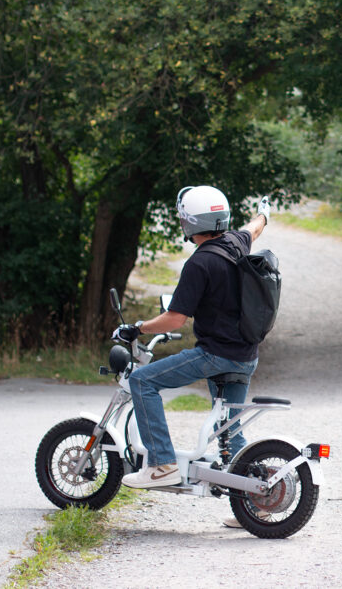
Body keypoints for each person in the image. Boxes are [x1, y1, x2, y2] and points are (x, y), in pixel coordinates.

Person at [115, 185, 270, 489]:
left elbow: (175, 318)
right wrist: (264, 212)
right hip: (245, 355)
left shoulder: (199, 263)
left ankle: (162, 466)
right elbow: (255, 227)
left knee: (142, 381)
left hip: (215, 355)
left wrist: (138, 327)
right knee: (230, 430)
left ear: (189, 222)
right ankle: (257, 504)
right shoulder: (237, 242)